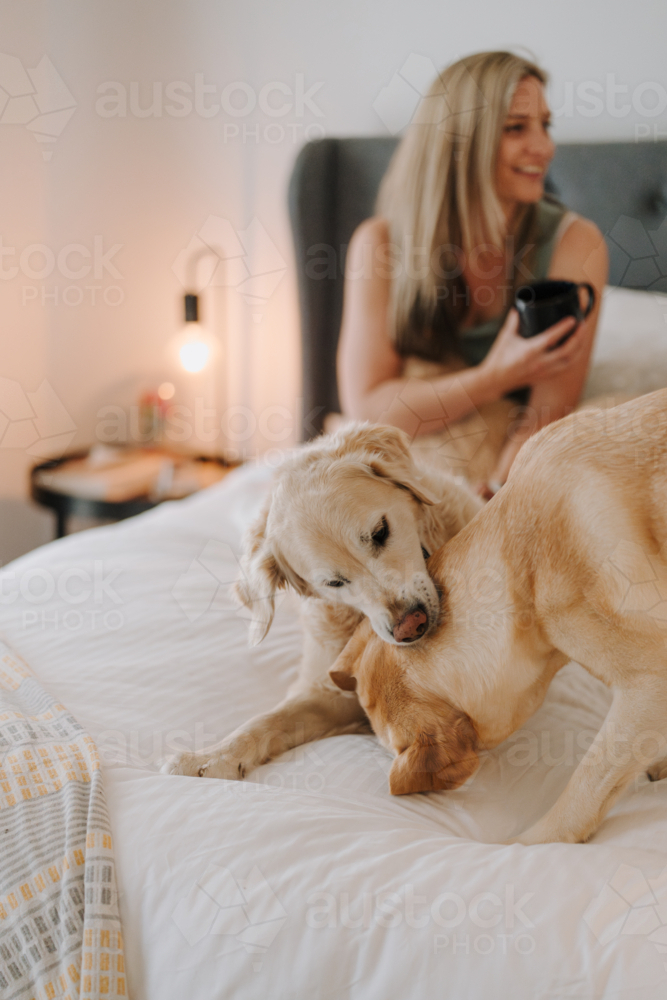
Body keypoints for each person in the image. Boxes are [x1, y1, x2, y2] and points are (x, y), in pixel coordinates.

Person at [337, 51, 608, 493]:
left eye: (545, 124)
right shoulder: (380, 244)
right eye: (516, 128)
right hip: (412, 454)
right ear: (460, 140)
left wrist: (492, 502)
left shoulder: (575, 243)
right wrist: (493, 377)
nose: (544, 147)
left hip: (515, 460)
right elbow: (367, 408)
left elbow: (548, 412)